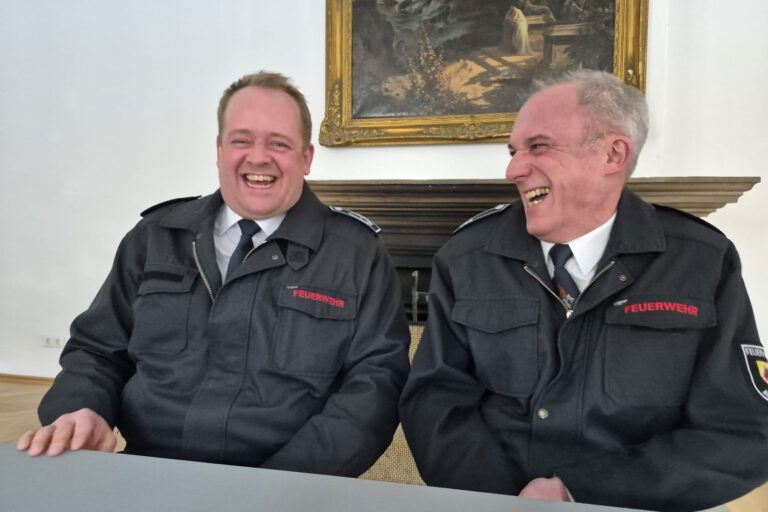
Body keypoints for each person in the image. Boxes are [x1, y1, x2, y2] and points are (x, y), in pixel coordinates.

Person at [399, 69, 768, 510]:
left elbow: (743, 431)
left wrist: (579, 492)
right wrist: (508, 503)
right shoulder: (466, 258)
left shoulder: (702, 261)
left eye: (539, 146)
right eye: (514, 151)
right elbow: (434, 400)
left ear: (613, 154)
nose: (513, 170)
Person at [17, 71, 411, 477]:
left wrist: (285, 485)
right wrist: (84, 408)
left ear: (306, 158)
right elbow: (97, 350)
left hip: (287, 485)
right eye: (242, 141)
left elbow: (376, 384)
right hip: (145, 473)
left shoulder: (355, 254)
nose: (258, 157)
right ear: (220, 150)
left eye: (279, 143)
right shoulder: (155, 236)